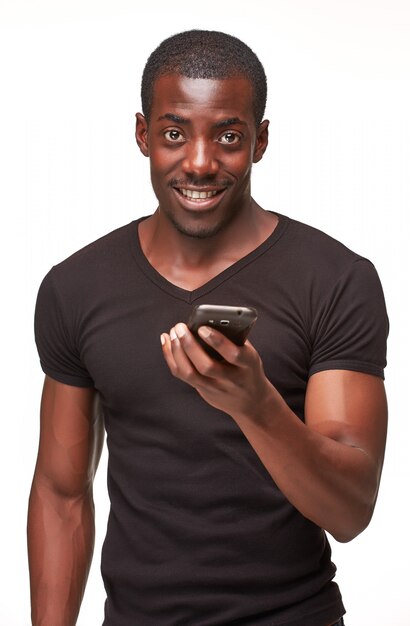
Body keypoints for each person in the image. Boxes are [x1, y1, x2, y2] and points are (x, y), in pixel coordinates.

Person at [28, 30, 388, 626]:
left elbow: (350, 511)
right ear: (143, 135)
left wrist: (256, 405)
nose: (200, 161)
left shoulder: (335, 280)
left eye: (228, 136)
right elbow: (61, 493)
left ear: (261, 141)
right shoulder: (76, 287)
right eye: (174, 134)